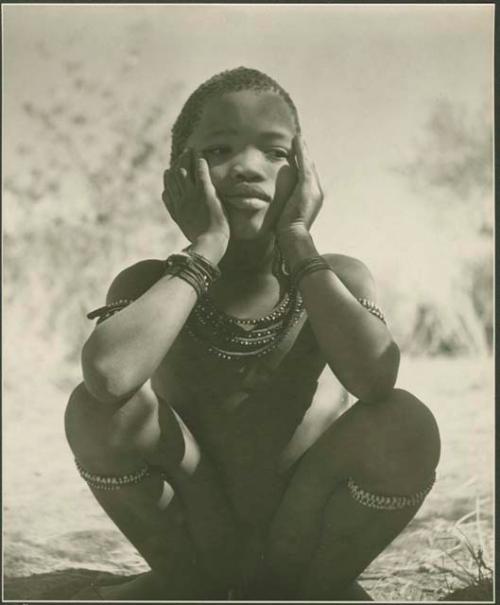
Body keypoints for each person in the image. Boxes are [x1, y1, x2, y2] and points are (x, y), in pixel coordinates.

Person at [65, 66, 440, 601]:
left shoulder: (339, 278)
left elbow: (377, 378)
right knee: (97, 411)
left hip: (303, 539)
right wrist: (206, 250)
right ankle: (183, 581)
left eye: (274, 151)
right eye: (218, 151)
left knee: (406, 422)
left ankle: (316, 590)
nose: (246, 168)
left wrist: (298, 242)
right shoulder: (151, 284)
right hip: (196, 533)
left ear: (306, 173)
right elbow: (106, 377)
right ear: (179, 175)